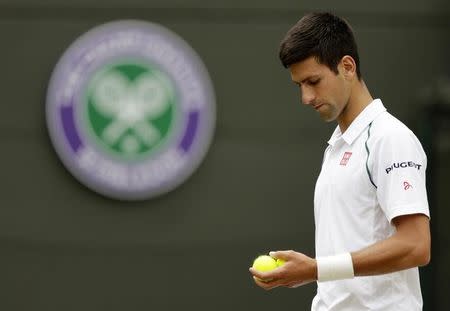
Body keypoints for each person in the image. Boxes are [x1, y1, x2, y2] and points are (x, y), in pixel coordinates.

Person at [248, 12, 431, 311]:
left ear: (347, 66)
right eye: (299, 85)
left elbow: (416, 246)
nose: (306, 97)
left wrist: (316, 269)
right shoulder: (337, 146)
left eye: (313, 81)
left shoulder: (390, 139)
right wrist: (314, 271)